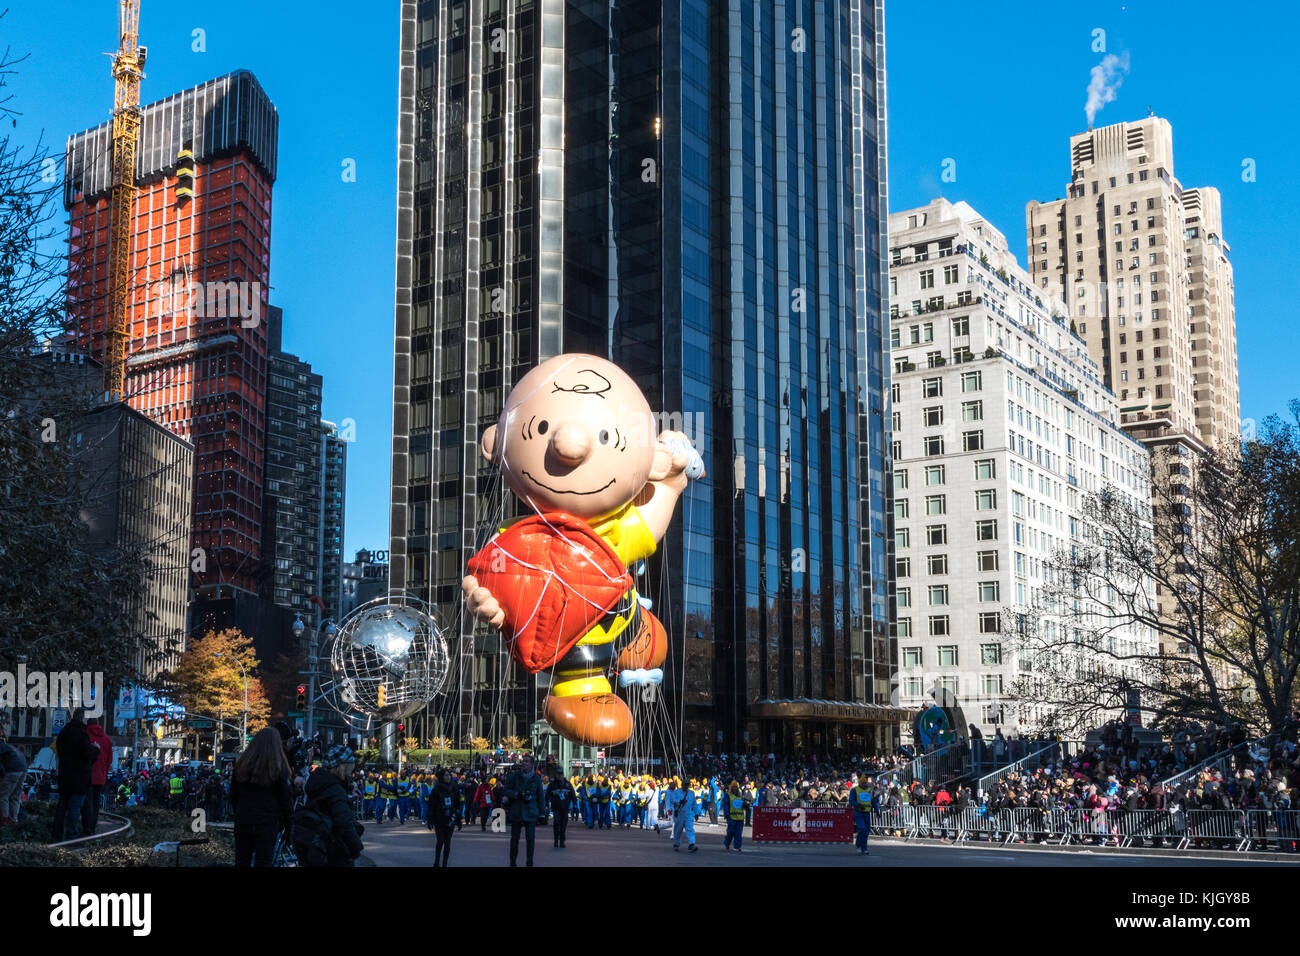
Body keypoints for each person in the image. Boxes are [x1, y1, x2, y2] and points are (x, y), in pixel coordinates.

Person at [229, 727, 294, 867]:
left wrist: (240, 814)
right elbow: (286, 801)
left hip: (243, 822)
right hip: (267, 824)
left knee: (241, 861)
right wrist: (289, 828)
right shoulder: (278, 769)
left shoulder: (241, 767)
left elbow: (233, 795)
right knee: (264, 862)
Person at [300, 745, 365, 867]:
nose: (352, 771)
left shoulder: (319, 783)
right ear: (343, 767)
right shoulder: (334, 790)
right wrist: (356, 848)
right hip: (334, 849)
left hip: (318, 847)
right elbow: (344, 823)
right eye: (350, 767)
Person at [52, 709, 100, 841]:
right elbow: (87, 755)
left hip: (65, 776)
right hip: (79, 778)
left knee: (62, 807)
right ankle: (71, 835)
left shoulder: (63, 733)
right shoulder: (82, 734)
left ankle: (57, 834)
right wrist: (96, 749)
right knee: (75, 808)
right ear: (82, 719)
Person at [503, 754, 546, 867]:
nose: (524, 763)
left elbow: (541, 796)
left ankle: (529, 863)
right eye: (523, 761)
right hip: (517, 811)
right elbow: (506, 790)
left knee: (530, 840)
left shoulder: (536, 778)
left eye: (527, 762)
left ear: (532, 765)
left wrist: (542, 813)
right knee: (514, 839)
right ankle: (512, 862)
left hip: (530, 812)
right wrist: (516, 794)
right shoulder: (514, 776)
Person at [83, 719, 114, 834]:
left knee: (87, 803)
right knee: (95, 803)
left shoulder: (85, 736)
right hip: (100, 776)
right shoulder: (106, 739)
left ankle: (87, 828)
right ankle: (92, 827)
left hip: (87, 775)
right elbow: (109, 760)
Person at [426, 769, 461, 866]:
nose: (448, 777)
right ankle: (437, 861)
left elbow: (458, 804)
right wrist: (430, 820)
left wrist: (458, 820)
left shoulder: (454, 788)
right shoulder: (436, 789)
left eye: (449, 775)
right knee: (440, 841)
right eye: (446, 775)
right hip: (439, 818)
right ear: (441, 777)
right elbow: (431, 805)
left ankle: (444, 863)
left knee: (447, 842)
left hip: (451, 818)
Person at [0, 731, 27, 825]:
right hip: (23, 768)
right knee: (15, 796)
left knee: (3, 795)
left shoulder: (1, 747)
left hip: (13, 770)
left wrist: (2, 775)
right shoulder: (9, 746)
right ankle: (14, 820)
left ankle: (4, 821)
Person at [547, 769, 575, 848]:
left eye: (561, 774)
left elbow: (573, 795)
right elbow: (547, 795)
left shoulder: (568, 784)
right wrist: (546, 804)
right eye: (558, 774)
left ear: (563, 775)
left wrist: (575, 805)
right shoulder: (552, 785)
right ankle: (556, 841)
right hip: (556, 808)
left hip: (565, 808)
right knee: (556, 824)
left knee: (563, 825)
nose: (559, 776)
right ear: (556, 775)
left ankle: (562, 841)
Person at [668, 777, 698, 852]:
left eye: (687, 784)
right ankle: (676, 844)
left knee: (690, 829)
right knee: (678, 830)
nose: (686, 786)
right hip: (680, 814)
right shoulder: (676, 792)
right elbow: (672, 800)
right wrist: (679, 801)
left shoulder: (691, 793)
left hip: (689, 814)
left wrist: (696, 813)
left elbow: (694, 804)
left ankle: (691, 844)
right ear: (682, 784)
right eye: (685, 784)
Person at [848, 774, 873, 856]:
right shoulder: (854, 790)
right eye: (862, 783)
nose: (864, 784)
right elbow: (851, 800)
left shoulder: (869, 790)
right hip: (858, 812)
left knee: (866, 831)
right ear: (860, 783)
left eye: (865, 783)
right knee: (862, 829)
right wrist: (858, 805)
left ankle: (864, 848)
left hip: (867, 813)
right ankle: (859, 846)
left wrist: (876, 810)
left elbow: (873, 801)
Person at [722, 780, 750, 852]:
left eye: (736, 787)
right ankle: (727, 843)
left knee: (738, 833)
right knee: (730, 832)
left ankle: (737, 847)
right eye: (733, 787)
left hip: (740, 818)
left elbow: (743, 805)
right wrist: (726, 814)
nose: (735, 789)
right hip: (731, 817)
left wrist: (746, 805)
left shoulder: (741, 795)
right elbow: (726, 805)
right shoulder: (728, 795)